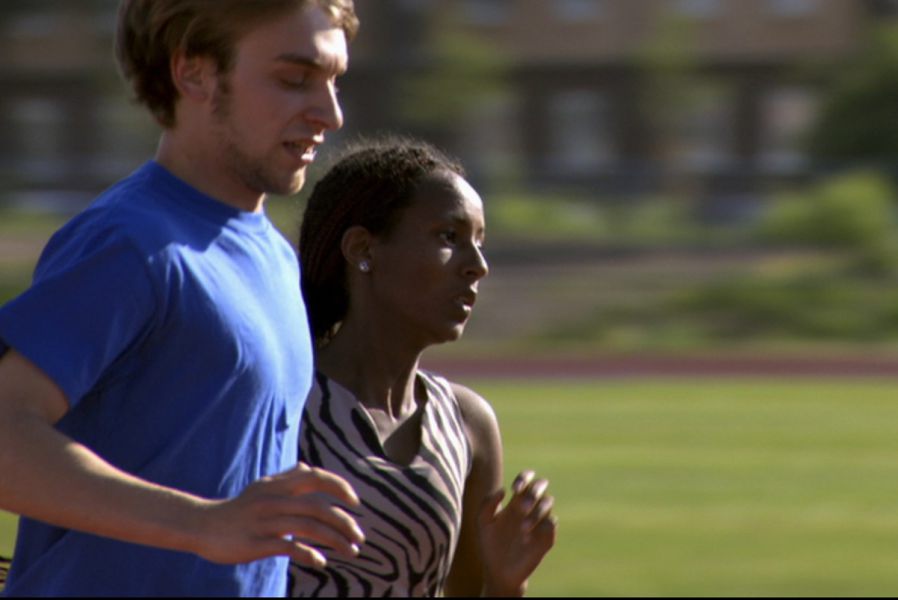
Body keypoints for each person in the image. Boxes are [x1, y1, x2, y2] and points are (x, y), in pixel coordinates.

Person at [0, 1, 365, 596]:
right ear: (193, 73)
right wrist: (204, 525)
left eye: (334, 81)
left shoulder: (275, 255)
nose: (330, 113)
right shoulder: (128, 243)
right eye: (294, 79)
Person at [290, 136, 557, 597]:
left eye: (480, 242)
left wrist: (507, 583)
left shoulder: (468, 424)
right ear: (362, 249)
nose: (478, 266)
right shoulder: (284, 406)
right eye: (449, 237)